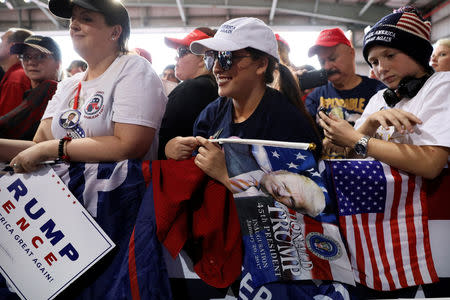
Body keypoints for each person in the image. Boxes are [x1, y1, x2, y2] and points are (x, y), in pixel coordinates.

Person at [318, 6, 450, 298]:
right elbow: (351, 164)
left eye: (390, 55)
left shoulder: (442, 85)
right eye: (374, 61)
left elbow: (430, 164)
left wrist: (356, 137)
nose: (381, 68)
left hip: (432, 229)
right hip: (383, 231)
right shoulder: (380, 99)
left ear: (417, 53)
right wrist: (367, 127)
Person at [0, 0, 166, 173]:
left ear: (115, 32)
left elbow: (129, 146)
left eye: (86, 19)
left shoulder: (133, 68)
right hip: (63, 194)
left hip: (116, 195)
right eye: (73, 20)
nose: (74, 26)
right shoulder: (68, 84)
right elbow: (38, 144)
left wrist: (52, 148)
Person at [185, 17, 321, 190]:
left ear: (261, 65)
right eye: (212, 57)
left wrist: (228, 175)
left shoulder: (288, 125)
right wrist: (178, 152)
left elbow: (297, 207)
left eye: (227, 57)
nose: (216, 68)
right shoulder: (212, 113)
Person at [305, 27, 385, 157]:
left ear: (351, 53)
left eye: (332, 58)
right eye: (322, 62)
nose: (327, 67)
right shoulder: (315, 97)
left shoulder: (378, 92)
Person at [159, 27, 218, 159]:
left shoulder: (192, 88)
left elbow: (162, 137)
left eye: (182, 52)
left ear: (204, 59)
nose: (176, 57)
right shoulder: (213, 87)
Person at [0, 35, 61, 140]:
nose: (31, 62)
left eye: (41, 56)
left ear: (58, 63)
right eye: (26, 56)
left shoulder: (52, 88)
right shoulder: (31, 93)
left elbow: (7, 126)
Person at [0, 28, 33, 117]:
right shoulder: (18, 75)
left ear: (12, 47)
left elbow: (8, 125)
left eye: (1, 41)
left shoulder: (16, 79)